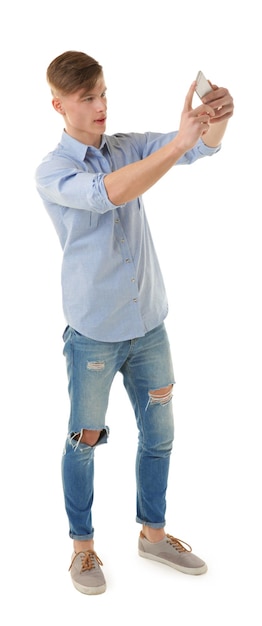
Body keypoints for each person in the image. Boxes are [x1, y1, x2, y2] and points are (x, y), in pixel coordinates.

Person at [35, 50, 234, 595]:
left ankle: (153, 533)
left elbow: (199, 153)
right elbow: (111, 193)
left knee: (160, 435)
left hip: (149, 326)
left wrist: (213, 122)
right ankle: (83, 549)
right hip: (94, 334)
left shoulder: (123, 146)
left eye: (103, 93)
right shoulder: (54, 171)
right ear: (59, 105)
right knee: (84, 439)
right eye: (87, 98)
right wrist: (177, 142)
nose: (101, 106)